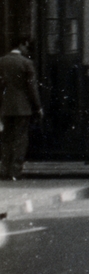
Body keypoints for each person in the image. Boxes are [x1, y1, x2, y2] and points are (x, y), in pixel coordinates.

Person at [0, 39, 42, 181]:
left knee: (6, 139)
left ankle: (4, 170)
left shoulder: (2, 61)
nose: (27, 50)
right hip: (23, 108)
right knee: (20, 139)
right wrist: (38, 107)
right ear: (21, 45)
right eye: (26, 47)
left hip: (5, 108)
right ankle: (15, 171)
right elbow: (32, 88)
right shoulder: (26, 63)